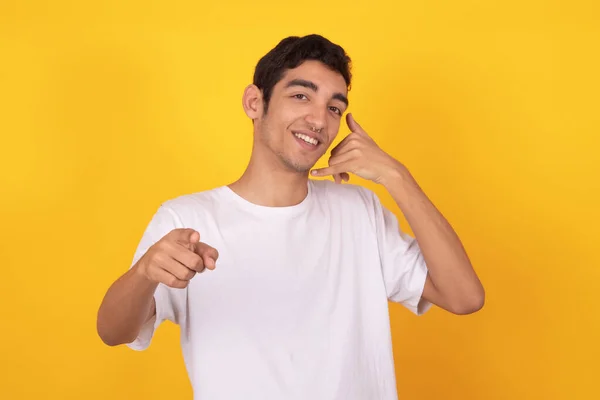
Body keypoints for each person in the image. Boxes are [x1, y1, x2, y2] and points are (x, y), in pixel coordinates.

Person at [97, 34, 484, 399]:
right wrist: (145, 272)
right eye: (301, 96)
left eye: (334, 107)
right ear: (254, 102)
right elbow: (113, 332)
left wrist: (395, 176)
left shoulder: (360, 212)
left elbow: (465, 297)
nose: (319, 120)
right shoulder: (188, 218)